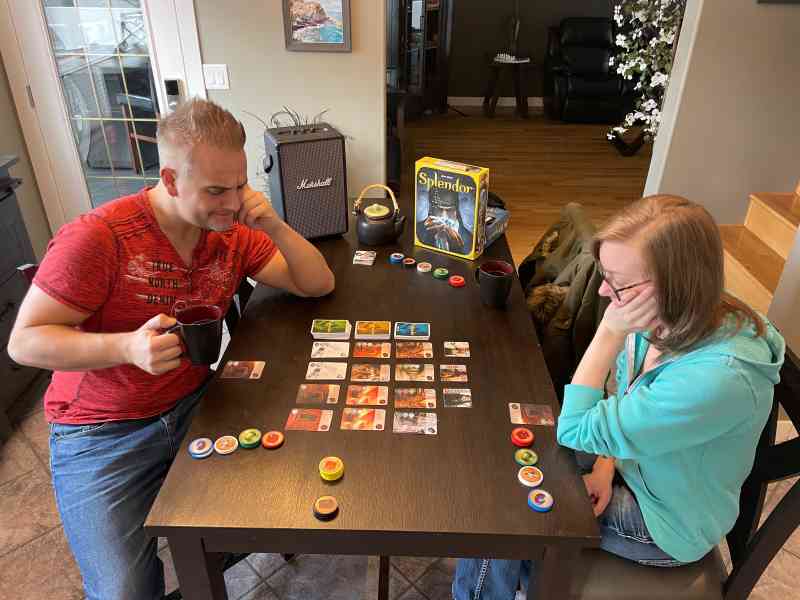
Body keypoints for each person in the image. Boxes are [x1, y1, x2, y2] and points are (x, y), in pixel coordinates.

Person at [8, 98, 335, 600]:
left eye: (239, 185)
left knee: (277, 512)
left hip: (196, 407)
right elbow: (24, 342)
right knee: (125, 589)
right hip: (99, 431)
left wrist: (271, 223)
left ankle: (200, 557)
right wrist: (125, 348)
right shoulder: (98, 238)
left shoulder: (233, 230)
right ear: (169, 178)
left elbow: (317, 283)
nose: (231, 202)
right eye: (215, 190)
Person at [452, 195, 784, 599]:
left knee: (506, 507)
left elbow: (575, 429)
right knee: (505, 458)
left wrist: (610, 332)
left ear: (676, 285)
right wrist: (606, 466)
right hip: (640, 466)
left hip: (664, 522)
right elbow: (622, 403)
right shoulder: (672, 316)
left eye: (620, 282)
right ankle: (515, 576)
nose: (606, 292)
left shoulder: (716, 379)